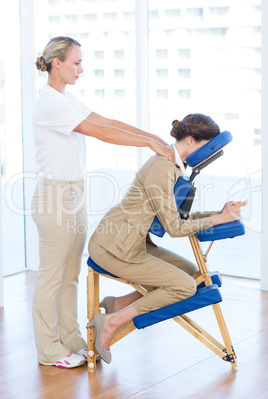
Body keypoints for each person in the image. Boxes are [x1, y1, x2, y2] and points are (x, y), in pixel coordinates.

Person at [31, 36, 174, 369]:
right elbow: (101, 133)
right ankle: (48, 349)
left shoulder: (66, 99)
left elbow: (107, 122)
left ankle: (70, 338)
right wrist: (149, 145)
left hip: (73, 192)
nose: (81, 68)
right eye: (76, 62)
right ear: (57, 63)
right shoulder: (49, 103)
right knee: (51, 276)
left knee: (69, 274)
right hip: (54, 197)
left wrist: (152, 137)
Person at [88, 113, 247, 364]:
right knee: (183, 286)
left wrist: (217, 214)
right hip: (112, 247)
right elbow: (173, 227)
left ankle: (119, 303)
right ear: (192, 140)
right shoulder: (163, 167)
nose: (210, 156)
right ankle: (111, 321)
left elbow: (176, 216)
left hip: (133, 242)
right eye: (208, 148)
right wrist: (217, 220)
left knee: (193, 276)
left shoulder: (174, 166)